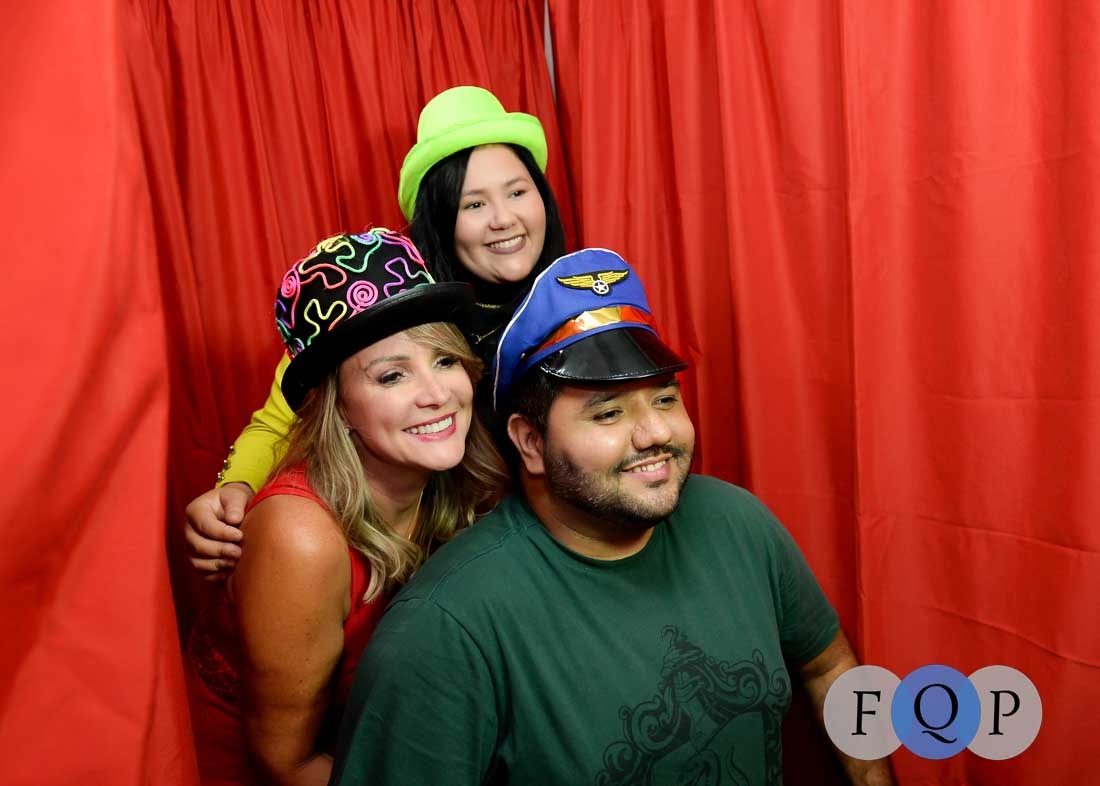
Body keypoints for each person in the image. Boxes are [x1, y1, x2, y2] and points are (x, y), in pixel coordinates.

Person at [327, 248, 896, 786]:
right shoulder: (446, 629)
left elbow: (829, 668)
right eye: (608, 413)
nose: (655, 433)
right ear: (531, 443)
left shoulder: (738, 521)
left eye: (665, 399)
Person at [184, 85, 567, 578]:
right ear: (439, 218)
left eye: (517, 192)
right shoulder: (392, 299)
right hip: (423, 557)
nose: (504, 219)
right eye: (473, 205)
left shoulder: (574, 297)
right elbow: (283, 419)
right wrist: (235, 489)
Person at [183, 228, 508, 785]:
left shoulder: (464, 478)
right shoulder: (300, 537)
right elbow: (285, 761)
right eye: (392, 375)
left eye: (445, 360)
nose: (437, 394)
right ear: (338, 408)